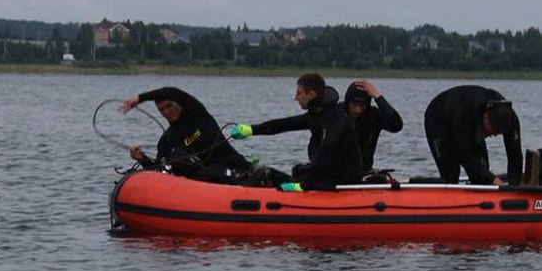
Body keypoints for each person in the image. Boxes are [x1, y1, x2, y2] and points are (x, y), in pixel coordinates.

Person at [229, 72, 361, 190]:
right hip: (325, 175)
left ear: (311, 95)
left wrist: (303, 186)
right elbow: (285, 124)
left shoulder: (334, 118)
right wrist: (250, 129)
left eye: (299, 93)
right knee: (273, 173)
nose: (296, 98)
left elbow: (326, 155)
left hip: (340, 182)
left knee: (298, 175)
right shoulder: (316, 114)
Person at [120, 86, 252, 183]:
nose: (166, 112)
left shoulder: (196, 113)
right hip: (208, 180)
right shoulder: (167, 139)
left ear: (177, 102)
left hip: (235, 167)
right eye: (161, 110)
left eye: (169, 106)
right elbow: (159, 169)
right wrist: (142, 158)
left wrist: (140, 98)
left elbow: (172, 91)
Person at [422, 85, 523, 185]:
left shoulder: (512, 120)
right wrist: (492, 179)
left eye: (495, 134)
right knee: (451, 173)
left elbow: (515, 154)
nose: (491, 136)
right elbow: (464, 154)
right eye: (488, 133)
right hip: (439, 118)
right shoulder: (463, 117)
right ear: (485, 115)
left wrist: (514, 186)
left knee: (483, 171)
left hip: (470, 122)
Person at [341, 79, 402, 175]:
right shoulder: (335, 113)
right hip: (335, 173)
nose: (358, 110)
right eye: (354, 104)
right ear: (347, 102)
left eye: (362, 105)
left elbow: (396, 125)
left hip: (364, 172)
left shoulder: (374, 116)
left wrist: (378, 96)